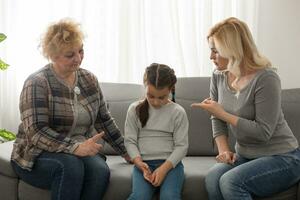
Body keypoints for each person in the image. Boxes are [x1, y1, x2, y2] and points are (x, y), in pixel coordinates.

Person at [10, 18, 131, 200]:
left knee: (99, 171)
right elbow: (36, 132)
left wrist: (127, 152)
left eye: (81, 50)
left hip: (77, 150)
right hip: (37, 154)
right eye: (70, 54)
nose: (78, 58)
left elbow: (104, 120)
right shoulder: (37, 83)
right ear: (53, 55)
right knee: (70, 166)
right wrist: (74, 147)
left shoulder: (88, 79)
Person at [192, 17, 300, 200]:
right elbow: (216, 118)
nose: (211, 57)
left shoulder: (266, 78)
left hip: (283, 157)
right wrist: (224, 151)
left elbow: (263, 132)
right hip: (245, 155)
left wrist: (222, 113)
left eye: (215, 51)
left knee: (231, 181)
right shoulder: (218, 76)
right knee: (213, 178)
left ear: (231, 49)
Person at [124, 63, 189, 200]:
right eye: (151, 96)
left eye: (162, 97)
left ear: (171, 89)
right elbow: (130, 140)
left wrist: (164, 169)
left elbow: (182, 146)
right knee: (139, 197)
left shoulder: (178, 112)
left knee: (170, 197)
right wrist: (138, 162)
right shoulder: (134, 109)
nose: (155, 102)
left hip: (171, 166)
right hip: (143, 165)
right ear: (144, 86)